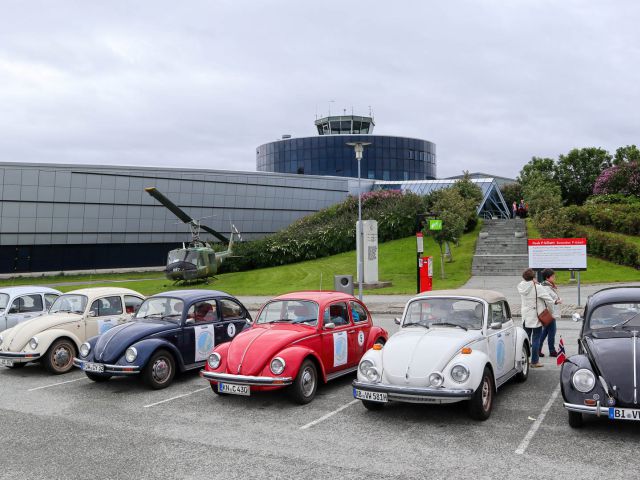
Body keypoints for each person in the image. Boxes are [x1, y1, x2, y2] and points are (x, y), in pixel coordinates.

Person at [517, 268, 555, 368]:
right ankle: (534, 362)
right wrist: (550, 312)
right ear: (533, 277)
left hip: (525, 316)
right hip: (536, 317)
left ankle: (522, 360)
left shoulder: (521, 286)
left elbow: (527, 284)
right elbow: (550, 301)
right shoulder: (537, 287)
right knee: (536, 340)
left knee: (524, 340)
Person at [539, 268, 562, 357]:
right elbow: (549, 300)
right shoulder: (546, 287)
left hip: (549, 312)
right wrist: (557, 301)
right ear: (548, 278)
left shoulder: (548, 285)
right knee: (551, 332)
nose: (554, 278)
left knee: (545, 332)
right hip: (549, 313)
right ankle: (552, 351)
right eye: (553, 276)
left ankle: (538, 349)